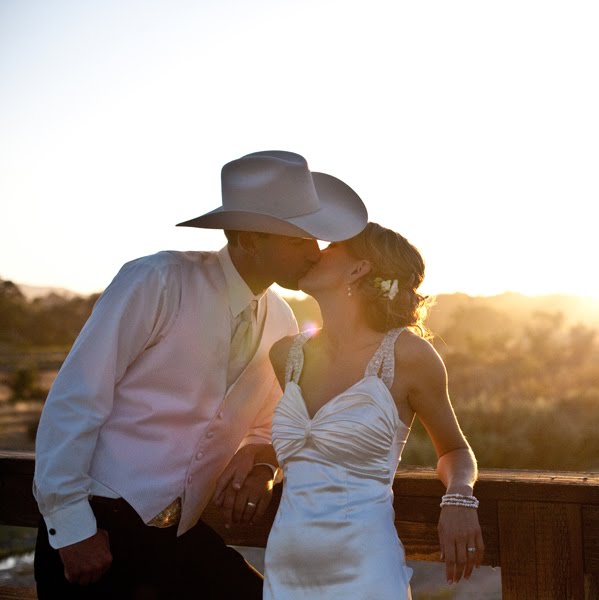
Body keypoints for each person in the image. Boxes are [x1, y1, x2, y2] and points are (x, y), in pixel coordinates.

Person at [31, 151, 368, 599]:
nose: (314, 252)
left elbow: (265, 422)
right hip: (97, 534)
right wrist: (72, 527)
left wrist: (262, 463)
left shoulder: (283, 319)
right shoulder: (156, 281)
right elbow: (76, 399)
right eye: (298, 240)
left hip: (180, 537)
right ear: (249, 237)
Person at [214, 222, 484, 599]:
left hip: (364, 573)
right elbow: (311, 445)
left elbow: (454, 449)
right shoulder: (286, 355)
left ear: (359, 269)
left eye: (332, 246)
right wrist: (261, 460)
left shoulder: (408, 356)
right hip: (286, 573)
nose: (314, 251)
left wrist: (459, 496)